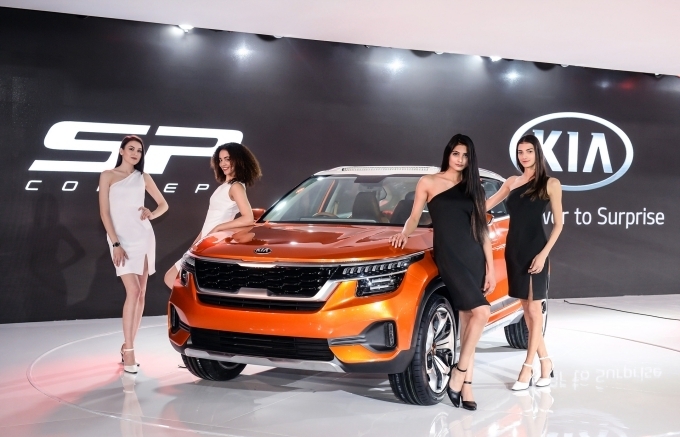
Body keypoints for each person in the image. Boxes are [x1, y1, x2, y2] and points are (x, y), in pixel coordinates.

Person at [389, 134, 495, 410]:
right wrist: (404, 233)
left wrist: (491, 269)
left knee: (469, 322)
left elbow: (482, 230)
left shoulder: (474, 188)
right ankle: (457, 375)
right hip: (449, 256)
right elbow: (414, 216)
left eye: (465, 155)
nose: (460, 160)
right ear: (448, 154)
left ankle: (466, 386)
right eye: (456, 153)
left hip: (474, 256)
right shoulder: (429, 182)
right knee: (482, 312)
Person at [486, 134, 563, 390]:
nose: (524, 156)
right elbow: (487, 204)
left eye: (529, 151)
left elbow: (559, 224)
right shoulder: (511, 182)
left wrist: (543, 255)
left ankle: (527, 368)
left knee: (534, 310)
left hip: (535, 250)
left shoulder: (550, 183)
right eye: (520, 152)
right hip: (514, 251)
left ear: (537, 153)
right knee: (527, 312)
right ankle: (546, 362)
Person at [99, 135, 168, 374]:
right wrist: (116, 243)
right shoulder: (107, 175)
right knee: (134, 291)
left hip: (143, 236)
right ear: (121, 151)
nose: (135, 153)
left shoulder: (143, 177)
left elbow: (163, 204)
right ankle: (129, 352)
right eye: (131, 149)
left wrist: (151, 214)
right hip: (120, 239)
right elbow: (104, 213)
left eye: (139, 150)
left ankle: (128, 346)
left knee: (141, 294)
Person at [164, 142, 262, 289]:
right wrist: (194, 245)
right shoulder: (225, 186)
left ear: (238, 159)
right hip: (205, 242)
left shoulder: (236, 186)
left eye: (227, 159)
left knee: (174, 279)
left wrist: (219, 228)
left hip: (213, 243)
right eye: (220, 160)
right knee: (179, 281)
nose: (223, 163)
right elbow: (209, 220)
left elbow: (248, 218)